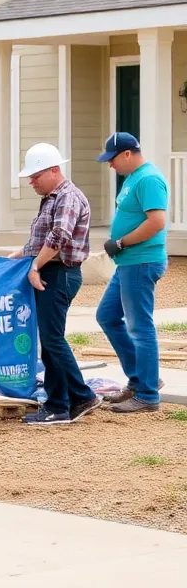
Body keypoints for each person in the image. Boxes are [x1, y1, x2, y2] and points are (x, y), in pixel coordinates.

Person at [12, 143, 99, 425]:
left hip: (59, 273)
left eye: (36, 175)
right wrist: (21, 255)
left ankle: (81, 396)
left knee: (52, 340)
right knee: (50, 341)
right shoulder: (52, 198)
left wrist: (35, 266)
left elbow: (59, 237)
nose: (31, 181)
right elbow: (42, 239)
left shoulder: (67, 197)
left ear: (54, 170)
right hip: (52, 270)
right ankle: (59, 403)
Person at [96, 133, 168, 414]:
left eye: (112, 159)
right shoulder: (133, 178)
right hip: (128, 262)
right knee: (107, 316)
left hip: (141, 261)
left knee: (140, 327)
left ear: (127, 153)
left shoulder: (148, 179)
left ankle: (148, 395)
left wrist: (122, 242)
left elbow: (157, 222)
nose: (110, 165)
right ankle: (140, 379)